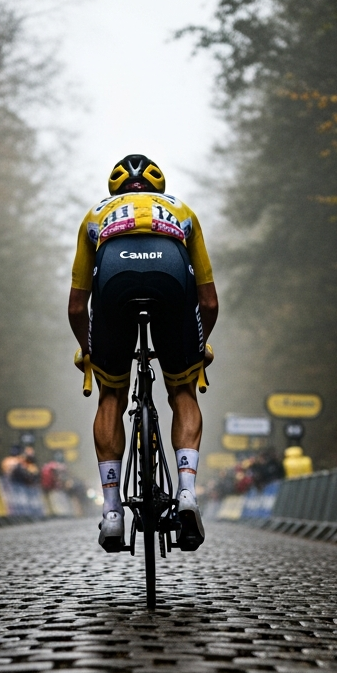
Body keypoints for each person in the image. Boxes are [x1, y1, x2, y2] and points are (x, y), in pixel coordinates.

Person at [68, 154, 218, 552]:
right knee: (182, 390)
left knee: (111, 395)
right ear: (158, 188)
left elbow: (76, 308)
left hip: (113, 284)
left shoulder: (95, 215)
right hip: (173, 282)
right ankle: (186, 492)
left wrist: (88, 351)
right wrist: (199, 349)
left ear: (114, 191)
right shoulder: (181, 210)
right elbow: (210, 301)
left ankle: (113, 511)